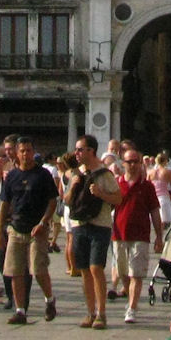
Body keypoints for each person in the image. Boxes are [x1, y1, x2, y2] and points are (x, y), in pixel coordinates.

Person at [0, 138, 59, 324]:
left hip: (36, 230)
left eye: (29, 150)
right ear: (17, 153)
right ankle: (20, 310)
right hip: (16, 228)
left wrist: (43, 222)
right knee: (15, 271)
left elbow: (52, 201)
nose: (26, 154)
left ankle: (49, 299)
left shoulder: (43, 175)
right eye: (22, 151)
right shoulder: (12, 176)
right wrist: (0, 230)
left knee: (38, 269)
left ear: (34, 152)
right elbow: (4, 203)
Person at [65, 135, 121, 328]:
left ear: (91, 151)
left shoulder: (104, 174)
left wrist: (100, 194)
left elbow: (118, 199)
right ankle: (90, 312)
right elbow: (66, 200)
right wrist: (73, 186)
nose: (76, 153)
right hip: (79, 224)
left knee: (96, 268)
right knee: (84, 270)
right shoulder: (77, 173)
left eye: (80, 149)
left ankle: (101, 313)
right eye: (76, 149)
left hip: (100, 225)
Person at [111, 147, 163, 324]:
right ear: (123, 163)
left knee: (136, 274)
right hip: (119, 235)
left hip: (140, 235)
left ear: (140, 163)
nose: (132, 165)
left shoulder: (147, 186)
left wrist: (159, 236)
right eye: (129, 162)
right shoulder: (116, 184)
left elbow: (155, 211)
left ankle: (132, 308)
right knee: (123, 273)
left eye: (136, 162)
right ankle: (129, 298)